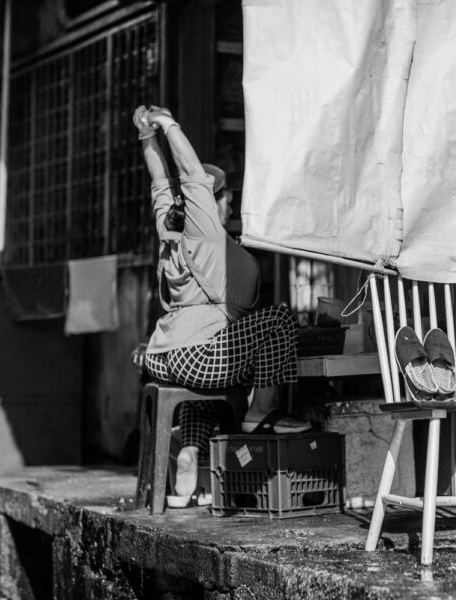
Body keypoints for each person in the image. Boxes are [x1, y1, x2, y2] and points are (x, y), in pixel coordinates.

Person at [133, 105, 311, 501]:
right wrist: (169, 125)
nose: (231, 205)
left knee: (204, 388)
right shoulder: (206, 234)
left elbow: (160, 181)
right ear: (217, 202)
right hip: (200, 353)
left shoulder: (171, 230)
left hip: (165, 355)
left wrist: (147, 137)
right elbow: (190, 177)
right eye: (228, 198)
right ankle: (262, 412)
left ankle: (188, 459)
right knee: (279, 320)